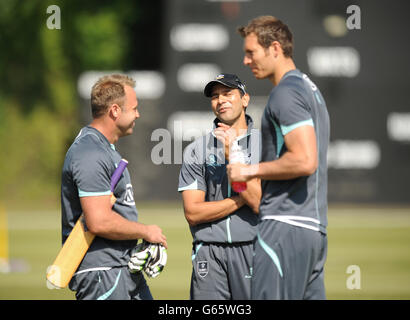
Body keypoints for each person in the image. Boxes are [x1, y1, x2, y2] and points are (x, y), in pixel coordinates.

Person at [227, 16, 330, 299]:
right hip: (313, 231)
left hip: (284, 228)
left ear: (274, 48)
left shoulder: (285, 93)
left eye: (251, 53)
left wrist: (248, 171)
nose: (246, 61)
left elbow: (305, 160)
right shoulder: (310, 90)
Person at [61, 74, 167, 300]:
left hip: (121, 269)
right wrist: (146, 231)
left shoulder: (103, 149)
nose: (138, 114)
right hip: (102, 274)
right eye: (134, 108)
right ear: (115, 111)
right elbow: (98, 221)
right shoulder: (90, 152)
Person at [178, 73, 261, 300]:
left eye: (227, 93)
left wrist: (232, 154)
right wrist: (241, 198)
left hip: (253, 249)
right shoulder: (197, 150)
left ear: (245, 99)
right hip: (209, 251)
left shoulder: (267, 145)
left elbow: (260, 204)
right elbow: (193, 213)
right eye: (214, 96)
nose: (220, 100)